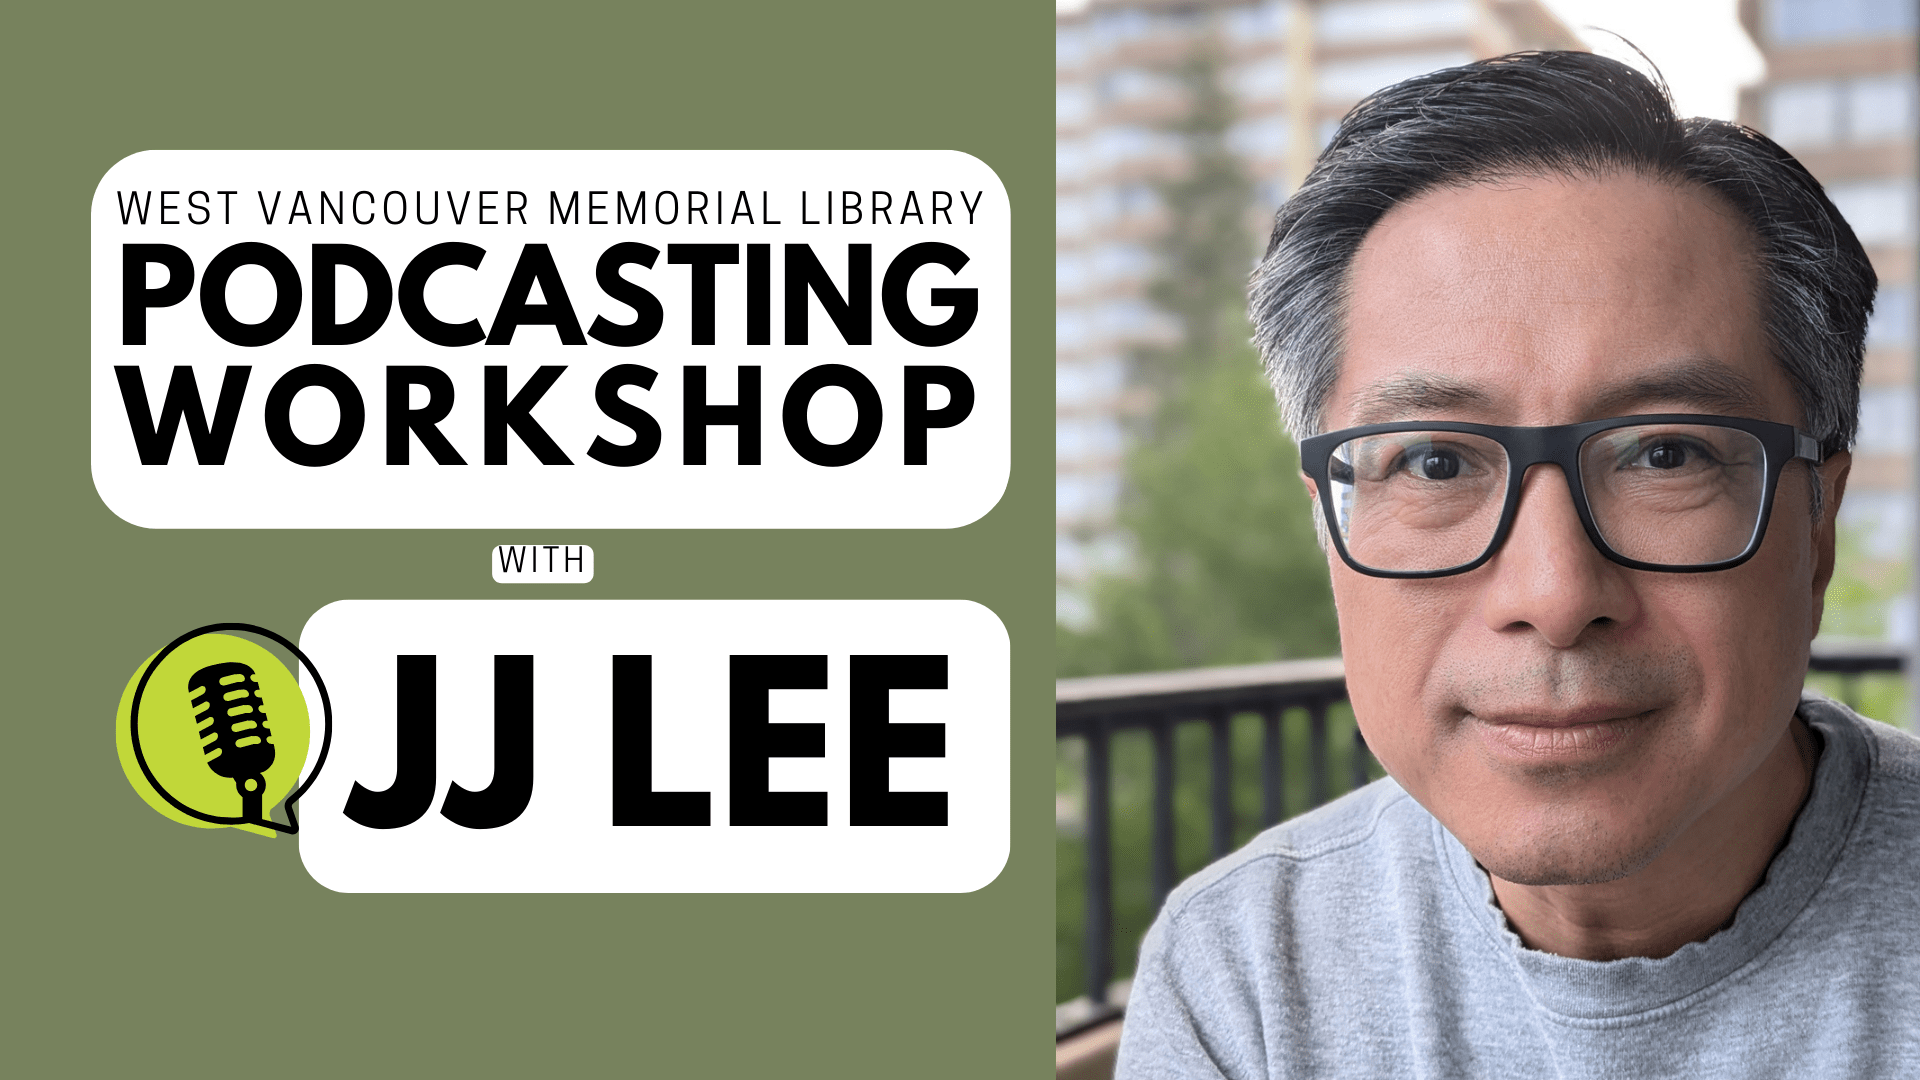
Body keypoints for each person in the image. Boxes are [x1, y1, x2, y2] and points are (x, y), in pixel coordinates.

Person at [1115, 50, 1920, 1077]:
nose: (1553, 592)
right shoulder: (1251, 972)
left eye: (1665, 454)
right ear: (1330, 536)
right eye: (1437, 460)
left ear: (1818, 525)